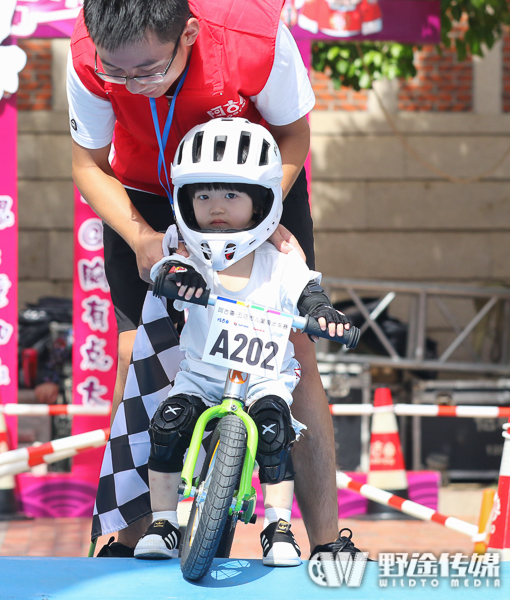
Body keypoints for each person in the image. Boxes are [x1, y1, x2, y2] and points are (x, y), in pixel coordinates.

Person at [68, 0, 357, 557]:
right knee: (136, 353)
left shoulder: (256, 35)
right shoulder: (87, 53)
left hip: (249, 187)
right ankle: (130, 537)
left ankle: (325, 540)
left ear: (190, 34)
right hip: (148, 196)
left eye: (150, 69)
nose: (134, 85)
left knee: (296, 351)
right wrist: (141, 237)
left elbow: (295, 134)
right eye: (118, 73)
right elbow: (87, 164)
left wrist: (265, 214)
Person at [135, 119, 348, 565]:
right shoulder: (188, 252)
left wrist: (324, 315)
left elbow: (309, 292)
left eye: (232, 195)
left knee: (274, 430)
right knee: (168, 426)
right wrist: (177, 278)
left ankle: (278, 526)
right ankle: (163, 522)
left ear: (262, 201)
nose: (216, 206)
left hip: (263, 378)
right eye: (203, 195)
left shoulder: (281, 258)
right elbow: (162, 268)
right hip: (201, 378)